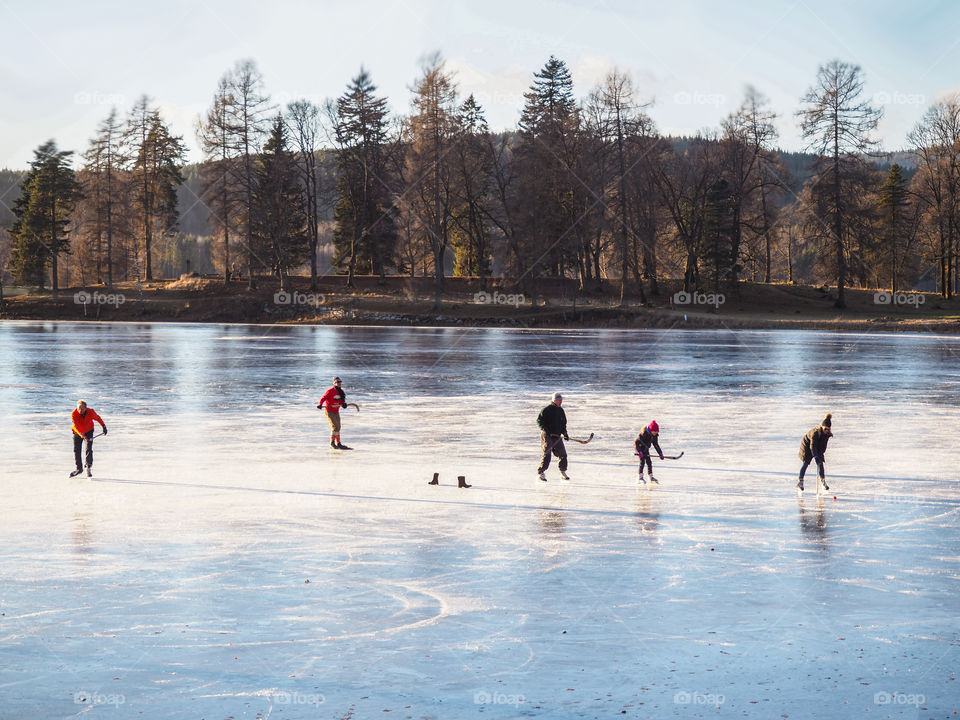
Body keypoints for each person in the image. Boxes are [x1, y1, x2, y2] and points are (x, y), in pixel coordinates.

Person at [537, 392, 570, 481]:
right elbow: (539, 421)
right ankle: (541, 472)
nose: (561, 402)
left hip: (557, 435)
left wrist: (565, 433)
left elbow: (563, 423)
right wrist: (546, 430)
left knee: (563, 454)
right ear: (554, 400)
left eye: (561, 400)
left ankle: (562, 471)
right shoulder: (547, 410)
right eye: (559, 400)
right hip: (547, 435)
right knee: (547, 453)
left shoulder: (561, 410)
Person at [70, 400, 107, 477]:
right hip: (77, 432)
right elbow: (76, 427)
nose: (80, 410)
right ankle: (79, 469)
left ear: (86, 408)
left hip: (89, 431)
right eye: (78, 409)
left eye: (82, 409)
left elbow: (97, 418)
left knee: (88, 449)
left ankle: (88, 467)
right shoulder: (74, 414)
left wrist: (103, 426)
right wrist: (83, 436)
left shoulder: (91, 412)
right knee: (77, 450)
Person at [798, 413, 832, 492]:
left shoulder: (827, 434)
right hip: (807, 446)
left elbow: (823, 446)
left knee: (820, 464)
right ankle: (800, 481)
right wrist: (815, 456)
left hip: (817, 447)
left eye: (828, 429)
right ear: (822, 427)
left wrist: (819, 456)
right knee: (805, 463)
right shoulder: (815, 433)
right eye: (825, 429)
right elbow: (812, 446)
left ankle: (822, 481)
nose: (826, 431)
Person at [317, 376, 351, 450]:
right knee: (335, 427)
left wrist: (343, 404)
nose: (339, 383)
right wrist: (320, 404)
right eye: (337, 382)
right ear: (334, 383)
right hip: (329, 411)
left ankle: (338, 443)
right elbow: (323, 398)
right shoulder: (330, 391)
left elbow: (341, 401)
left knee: (338, 427)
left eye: (340, 382)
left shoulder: (341, 391)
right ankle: (332, 443)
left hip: (336, 411)